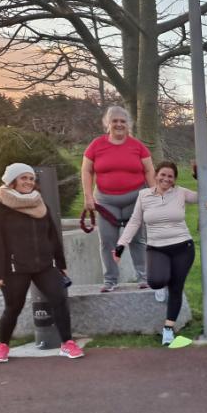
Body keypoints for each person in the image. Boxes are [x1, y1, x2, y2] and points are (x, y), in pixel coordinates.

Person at [0, 163, 84, 363]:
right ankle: (2, 345)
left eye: (31, 178)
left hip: (44, 266)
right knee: (13, 307)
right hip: (14, 268)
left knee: (59, 298)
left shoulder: (38, 203)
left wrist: (60, 262)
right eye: (23, 178)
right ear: (12, 181)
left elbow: (52, 234)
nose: (29, 182)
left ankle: (67, 343)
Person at [115, 161, 198, 345]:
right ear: (156, 175)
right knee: (155, 281)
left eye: (170, 176)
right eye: (163, 175)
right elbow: (135, 221)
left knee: (176, 288)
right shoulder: (144, 195)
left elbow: (203, 198)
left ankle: (168, 330)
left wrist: (199, 176)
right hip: (156, 247)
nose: (166, 179)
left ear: (174, 179)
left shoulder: (180, 192)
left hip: (183, 247)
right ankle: (162, 281)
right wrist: (122, 244)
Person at [82, 106, 155, 292]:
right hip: (106, 202)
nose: (119, 124)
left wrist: (154, 194)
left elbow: (148, 170)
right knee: (107, 241)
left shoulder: (137, 146)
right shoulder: (96, 145)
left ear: (128, 124)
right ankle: (110, 280)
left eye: (123, 121)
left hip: (135, 199)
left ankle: (143, 278)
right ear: (108, 124)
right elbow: (86, 170)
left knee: (138, 240)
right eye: (114, 121)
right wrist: (88, 196)